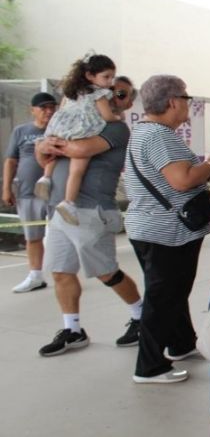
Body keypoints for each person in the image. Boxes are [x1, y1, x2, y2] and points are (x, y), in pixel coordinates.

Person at [123, 75, 210, 384]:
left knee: (172, 290)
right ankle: (150, 366)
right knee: (164, 295)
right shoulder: (159, 136)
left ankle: (181, 343)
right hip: (166, 230)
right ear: (172, 101)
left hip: (154, 226)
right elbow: (182, 180)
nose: (189, 103)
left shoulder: (147, 132)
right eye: (186, 98)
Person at [34, 79, 144, 357]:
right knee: (60, 271)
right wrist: (44, 145)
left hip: (92, 211)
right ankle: (73, 329)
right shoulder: (77, 120)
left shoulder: (117, 129)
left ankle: (141, 317)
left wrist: (53, 142)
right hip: (62, 210)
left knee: (107, 272)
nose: (113, 97)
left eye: (121, 95)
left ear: (128, 102)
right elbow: (42, 154)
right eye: (109, 92)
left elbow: (79, 150)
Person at [36, 53, 122, 226]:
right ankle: (68, 202)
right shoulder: (99, 93)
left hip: (60, 126)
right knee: (77, 169)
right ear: (90, 76)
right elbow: (106, 116)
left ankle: (45, 177)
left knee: (54, 150)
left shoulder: (71, 92)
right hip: (83, 130)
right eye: (106, 77)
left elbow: (61, 110)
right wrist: (116, 118)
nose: (109, 82)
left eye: (112, 77)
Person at [3, 93, 57, 293]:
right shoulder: (21, 131)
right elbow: (11, 160)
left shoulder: (61, 131)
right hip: (27, 193)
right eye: (44, 107)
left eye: (52, 107)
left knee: (61, 235)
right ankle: (35, 276)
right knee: (32, 236)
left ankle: (64, 274)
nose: (49, 111)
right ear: (32, 110)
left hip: (56, 192)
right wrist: (6, 188)